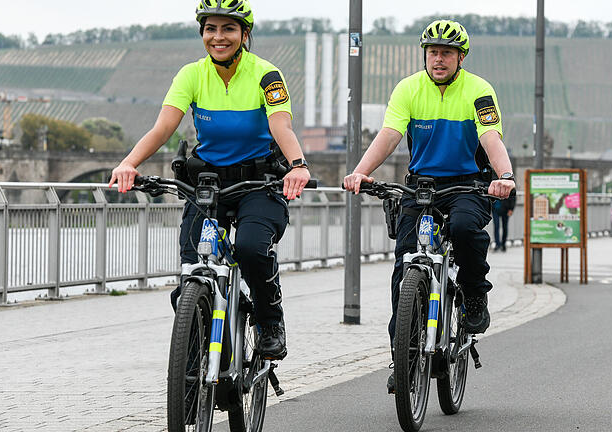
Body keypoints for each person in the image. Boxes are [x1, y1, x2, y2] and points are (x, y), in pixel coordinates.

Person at [108, 0, 310, 360]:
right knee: (192, 269)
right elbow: (163, 127)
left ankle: (269, 321)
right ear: (202, 33)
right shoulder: (191, 75)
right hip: (208, 186)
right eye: (210, 29)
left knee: (250, 249)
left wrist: (297, 165)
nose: (218, 37)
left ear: (244, 34)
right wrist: (128, 163)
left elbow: (281, 126)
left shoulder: (266, 74)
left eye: (228, 29)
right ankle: (198, 352)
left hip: (257, 184)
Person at [342, 19, 515, 392]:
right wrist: (359, 172)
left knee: (467, 229)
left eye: (447, 53)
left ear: (460, 57)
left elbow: (490, 136)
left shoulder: (479, 90)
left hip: (467, 184)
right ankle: (401, 354)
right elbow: (389, 135)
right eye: (433, 52)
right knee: (405, 263)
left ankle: (472, 295)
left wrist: (505, 175)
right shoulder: (408, 88)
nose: (438, 59)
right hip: (421, 186)